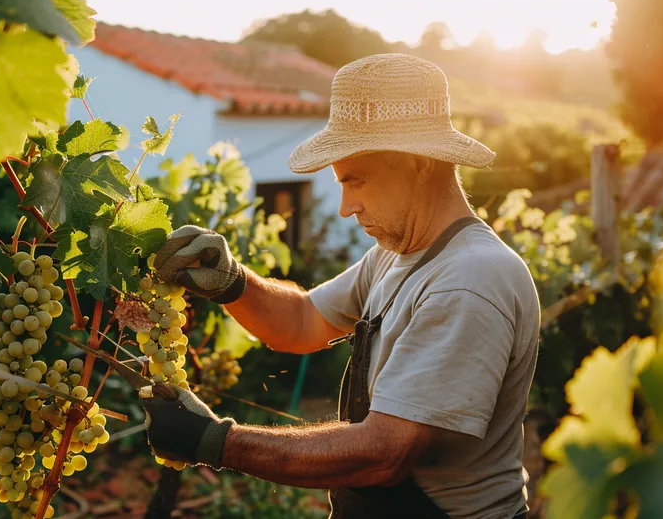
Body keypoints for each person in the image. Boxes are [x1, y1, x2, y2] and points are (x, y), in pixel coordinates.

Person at [141, 54, 540, 519]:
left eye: (357, 181)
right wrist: (232, 281)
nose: (345, 207)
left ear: (417, 163)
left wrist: (214, 441)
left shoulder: (468, 279)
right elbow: (303, 320)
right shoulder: (397, 254)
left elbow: (384, 452)